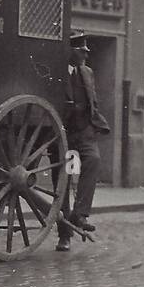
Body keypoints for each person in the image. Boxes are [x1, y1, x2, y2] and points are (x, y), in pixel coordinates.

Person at [56, 34, 111, 252]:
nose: (85, 54)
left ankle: (79, 214)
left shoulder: (87, 73)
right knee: (62, 180)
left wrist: (94, 123)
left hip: (84, 131)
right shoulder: (58, 72)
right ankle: (64, 236)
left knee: (94, 160)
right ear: (71, 51)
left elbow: (92, 102)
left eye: (86, 51)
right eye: (81, 50)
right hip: (63, 134)